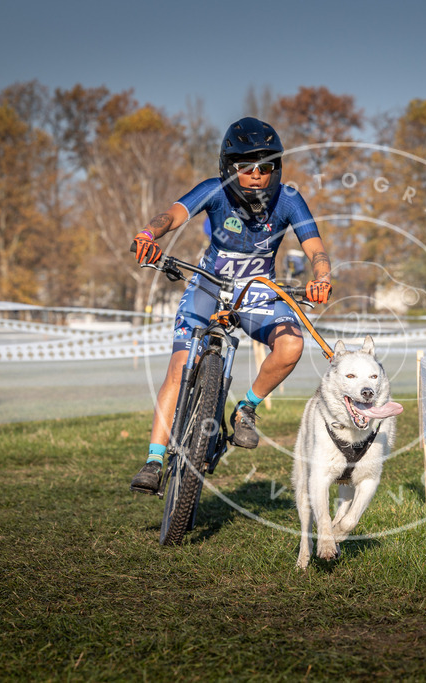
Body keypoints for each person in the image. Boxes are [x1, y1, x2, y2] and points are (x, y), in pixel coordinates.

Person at [128, 117, 332, 493]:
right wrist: (148, 234)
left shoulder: (288, 199)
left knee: (292, 345)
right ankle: (154, 460)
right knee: (180, 365)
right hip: (208, 284)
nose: (256, 175)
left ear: (276, 168)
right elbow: (172, 215)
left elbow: (315, 248)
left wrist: (321, 277)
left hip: (257, 290)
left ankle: (246, 407)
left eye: (264, 167)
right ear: (228, 167)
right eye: (245, 167)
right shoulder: (214, 190)